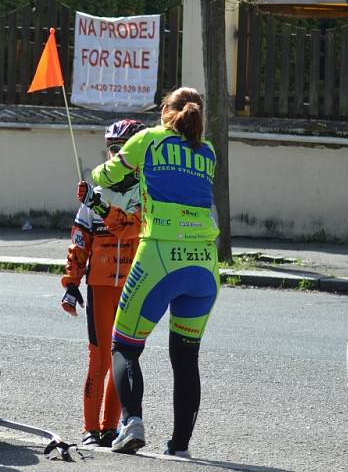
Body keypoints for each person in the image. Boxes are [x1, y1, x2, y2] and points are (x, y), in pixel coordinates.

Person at [77, 86, 219, 457]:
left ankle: (132, 424)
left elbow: (105, 176)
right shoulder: (208, 151)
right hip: (204, 262)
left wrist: (103, 170)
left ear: (165, 112)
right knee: (186, 357)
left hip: (160, 254)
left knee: (124, 346)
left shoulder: (149, 140)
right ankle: (181, 446)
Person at [60, 119, 145, 448]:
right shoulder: (93, 193)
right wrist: (71, 283)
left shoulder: (146, 193)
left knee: (125, 357)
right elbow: (80, 240)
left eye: (122, 150)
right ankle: (90, 429)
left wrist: (100, 206)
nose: (114, 155)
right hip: (100, 286)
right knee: (100, 360)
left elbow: (131, 228)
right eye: (111, 149)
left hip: (134, 285)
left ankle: (111, 428)